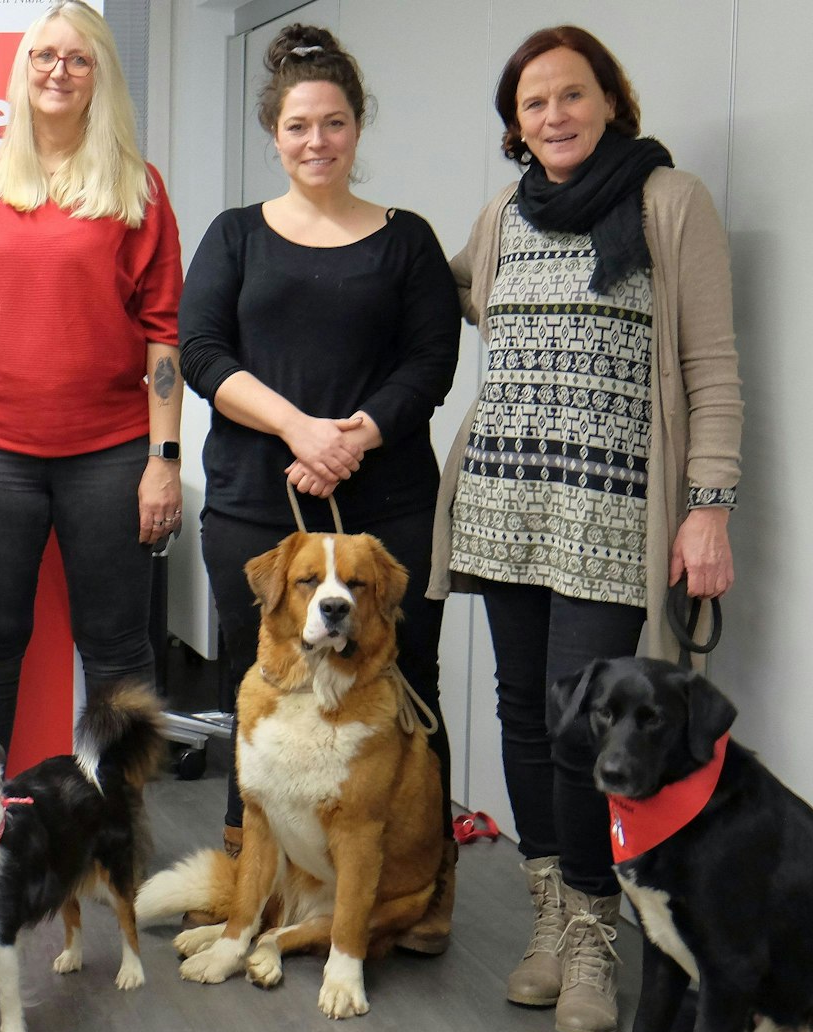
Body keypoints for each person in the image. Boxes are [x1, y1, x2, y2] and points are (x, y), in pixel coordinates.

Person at [428, 26, 743, 1032]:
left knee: (588, 731)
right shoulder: (501, 215)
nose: (553, 116)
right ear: (513, 126)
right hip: (504, 499)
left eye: (570, 95)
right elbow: (451, 293)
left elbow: (710, 366)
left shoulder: (666, 202)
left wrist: (707, 506)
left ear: (609, 100)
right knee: (523, 712)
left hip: (611, 508)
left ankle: (593, 940)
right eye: (532, 104)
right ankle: (549, 921)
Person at [179, 24, 460, 939]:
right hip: (257, 500)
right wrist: (299, 427)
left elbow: (430, 361)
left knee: (405, 681)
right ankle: (249, 882)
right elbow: (200, 351)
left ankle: (423, 893)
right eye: (299, 125)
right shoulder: (234, 236)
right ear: (274, 132)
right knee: (259, 679)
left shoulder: (406, 239)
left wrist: (355, 437)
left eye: (334, 123)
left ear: (356, 127)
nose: (317, 142)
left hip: (387, 505)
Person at [0, 0, 182, 754]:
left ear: (99, 73)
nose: (58, 71)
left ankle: (116, 831)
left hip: (109, 453)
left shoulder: (140, 187)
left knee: (116, 644)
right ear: (23, 69)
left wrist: (163, 463)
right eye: (44, 55)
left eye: (77, 57)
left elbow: (164, 336)